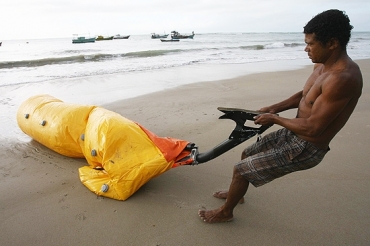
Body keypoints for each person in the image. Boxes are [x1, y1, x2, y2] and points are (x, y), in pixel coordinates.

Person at [198, 9, 363, 223]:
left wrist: (274, 119)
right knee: (247, 154)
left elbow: (314, 128)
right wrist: (274, 108)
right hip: (295, 131)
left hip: (307, 146)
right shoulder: (322, 65)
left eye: (311, 44)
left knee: (241, 170)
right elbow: (305, 97)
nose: (306, 49)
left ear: (332, 43)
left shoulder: (343, 78)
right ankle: (236, 196)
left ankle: (226, 213)